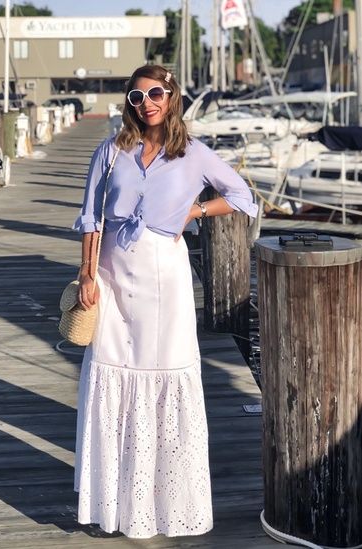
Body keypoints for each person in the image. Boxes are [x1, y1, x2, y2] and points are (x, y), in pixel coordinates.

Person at [72, 64, 258, 539]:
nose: (147, 102)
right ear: (129, 104)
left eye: (156, 93)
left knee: (167, 372)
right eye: (137, 97)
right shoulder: (110, 152)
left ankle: (165, 504)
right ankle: (117, 506)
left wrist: (195, 210)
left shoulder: (194, 155)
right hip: (114, 274)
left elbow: (242, 196)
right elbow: (91, 218)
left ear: (172, 96)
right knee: (114, 370)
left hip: (165, 277)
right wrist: (86, 275)